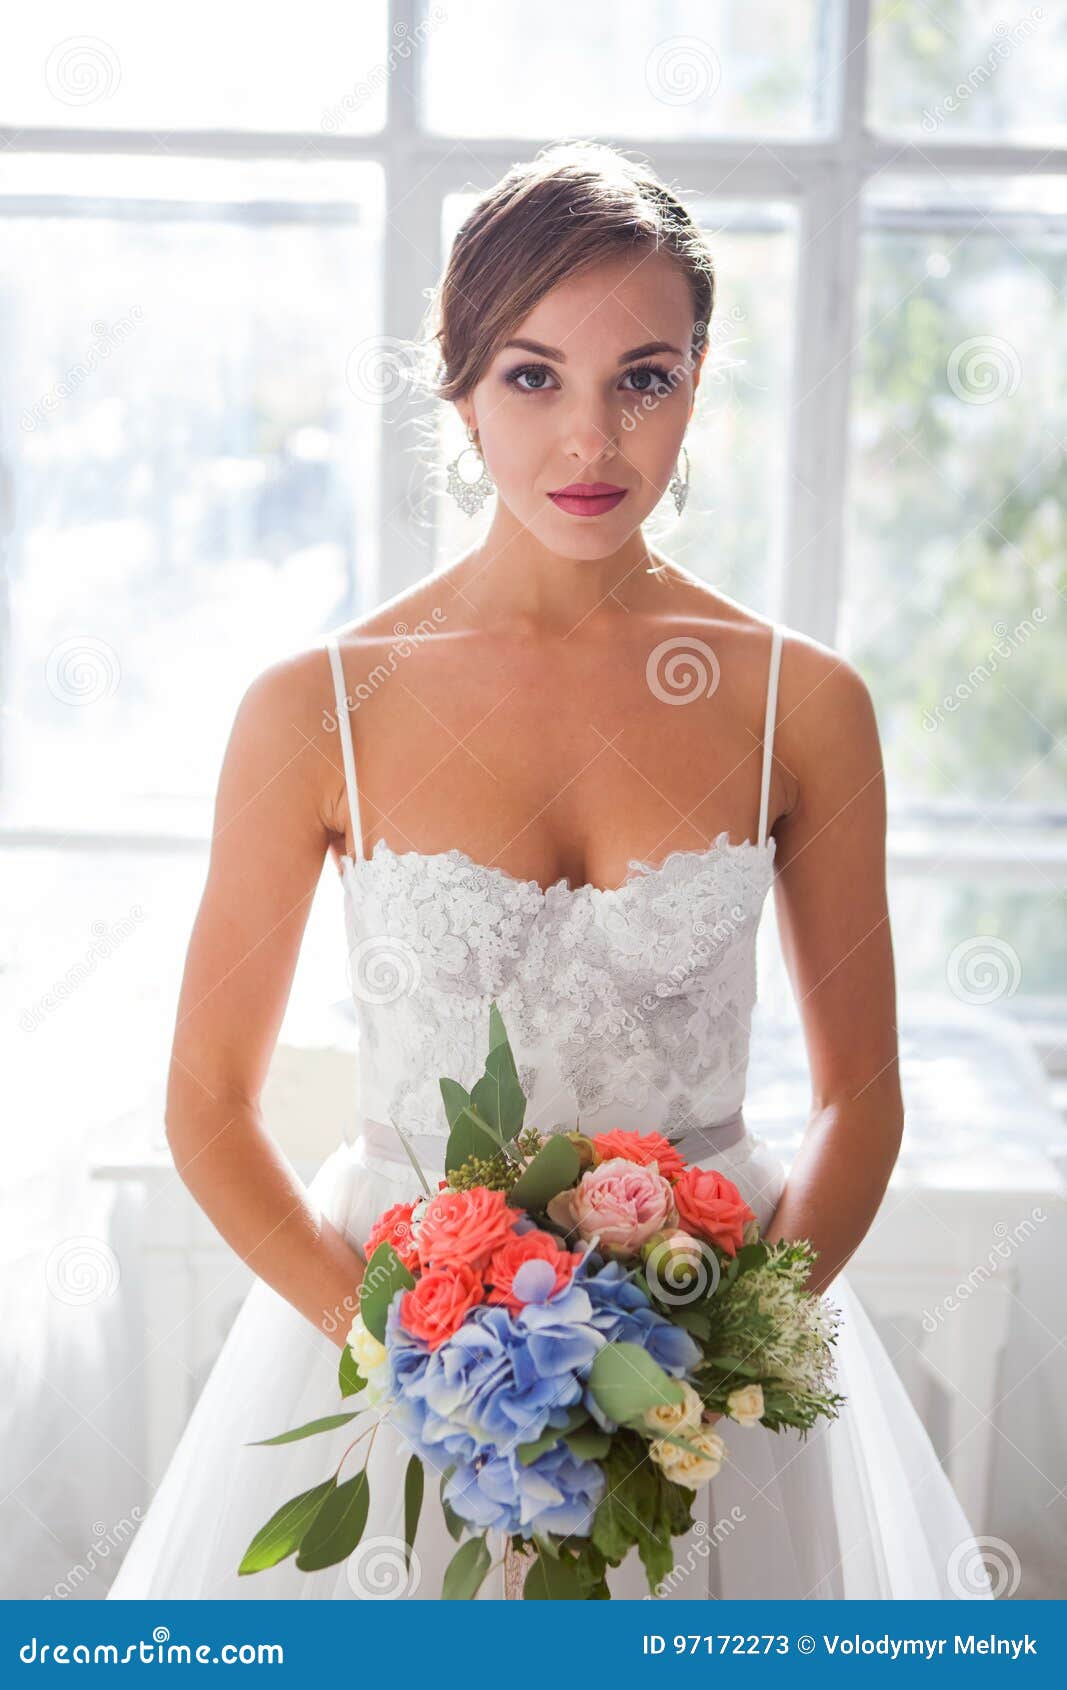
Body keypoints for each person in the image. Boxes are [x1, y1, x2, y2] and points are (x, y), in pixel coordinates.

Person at [107, 141, 993, 1601]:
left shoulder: (804, 705)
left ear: (698, 383)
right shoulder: (315, 705)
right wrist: (415, 1366)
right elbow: (207, 1106)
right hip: (396, 1372)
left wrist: (715, 1371)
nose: (591, 440)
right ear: (457, 387)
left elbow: (861, 1097)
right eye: (534, 377)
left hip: (715, 1381)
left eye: (642, 376)